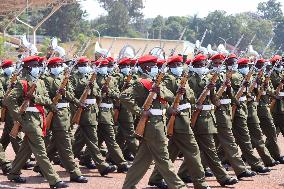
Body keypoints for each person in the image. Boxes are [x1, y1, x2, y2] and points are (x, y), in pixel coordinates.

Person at [121, 54, 187, 189]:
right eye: (153, 66)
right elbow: (123, 96)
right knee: (164, 160)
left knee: (142, 160)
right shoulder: (142, 82)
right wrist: (140, 111)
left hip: (158, 123)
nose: (156, 68)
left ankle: (128, 186)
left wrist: (160, 92)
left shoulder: (155, 81)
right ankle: (179, 187)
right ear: (146, 67)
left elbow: (168, 97)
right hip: (153, 125)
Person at [148, 55, 211, 189]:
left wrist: (184, 93)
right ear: (169, 67)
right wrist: (173, 102)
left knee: (172, 150)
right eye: (174, 65)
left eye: (179, 64)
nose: (178, 67)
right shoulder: (168, 78)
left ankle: (156, 177)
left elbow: (192, 97)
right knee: (193, 151)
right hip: (178, 120)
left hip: (185, 118)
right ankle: (200, 183)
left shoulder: (183, 78)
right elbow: (160, 94)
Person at [6, 55, 68, 189]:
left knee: (26, 148)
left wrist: (34, 97)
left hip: (39, 118)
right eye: (34, 66)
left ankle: (13, 172)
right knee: (41, 151)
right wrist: (19, 117)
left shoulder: (39, 82)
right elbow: (9, 100)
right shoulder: (22, 83)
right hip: (29, 120)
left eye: (38, 66)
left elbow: (46, 99)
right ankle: (54, 180)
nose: (37, 68)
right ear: (27, 68)